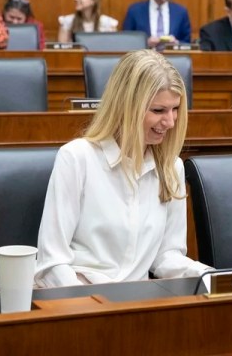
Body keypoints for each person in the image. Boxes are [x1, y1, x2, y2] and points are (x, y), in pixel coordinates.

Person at [35, 50, 211, 287]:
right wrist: (89, 305)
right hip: (79, 300)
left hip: (134, 303)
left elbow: (166, 257)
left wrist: (213, 277)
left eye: (175, 109)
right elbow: (52, 262)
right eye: (158, 111)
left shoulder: (172, 167)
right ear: (126, 107)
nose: (170, 122)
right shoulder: (77, 158)